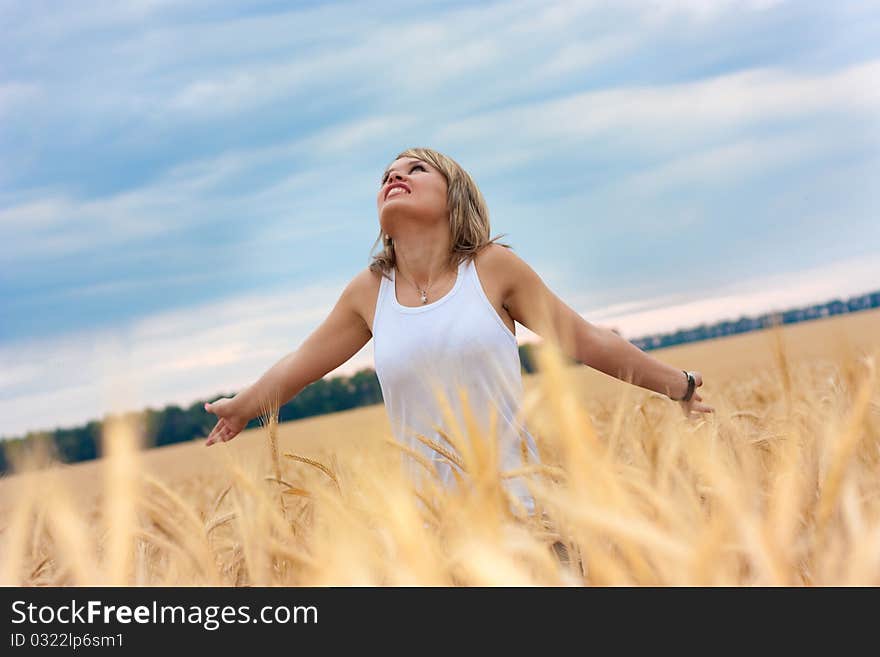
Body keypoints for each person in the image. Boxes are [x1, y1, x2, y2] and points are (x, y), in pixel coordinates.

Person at [203, 147, 714, 509]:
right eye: (386, 175)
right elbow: (300, 364)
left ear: (455, 198)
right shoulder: (369, 291)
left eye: (416, 168)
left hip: (522, 511)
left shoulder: (492, 269)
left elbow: (588, 341)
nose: (393, 177)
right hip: (431, 529)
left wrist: (681, 385)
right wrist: (243, 406)